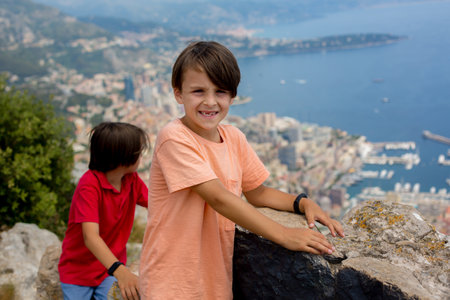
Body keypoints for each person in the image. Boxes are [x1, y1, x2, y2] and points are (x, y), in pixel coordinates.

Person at [138, 41, 345, 299]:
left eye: (220, 92)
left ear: (233, 96)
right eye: (198, 91)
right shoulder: (174, 138)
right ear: (178, 93)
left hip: (214, 280)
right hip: (170, 281)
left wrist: (302, 203)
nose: (210, 101)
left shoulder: (233, 137)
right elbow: (218, 198)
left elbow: (257, 193)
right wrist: (283, 234)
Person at [58, 122, 149, 300]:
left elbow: (157, 204)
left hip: (107, 270)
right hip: (79, 271)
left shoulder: (131, 180)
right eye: (138, 153)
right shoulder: (89, 186)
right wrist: (120, 270)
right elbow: (90, 237)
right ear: (123, 157)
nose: (141, 158)